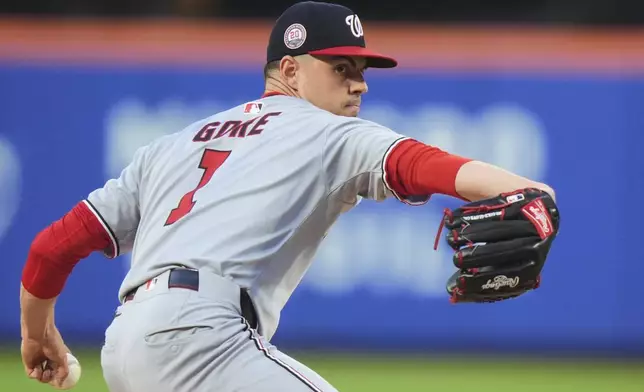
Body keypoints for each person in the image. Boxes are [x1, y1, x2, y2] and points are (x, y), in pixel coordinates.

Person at [19, 1, 556, 391]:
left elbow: (49, 249)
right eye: (341, 68)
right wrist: (530, 192)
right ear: (291, 70)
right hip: (203, 339)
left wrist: (37, 334)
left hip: (127, 346)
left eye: (362, 71)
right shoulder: (330, 134)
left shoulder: (173, 145)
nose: (360, 84)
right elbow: (428, 166)